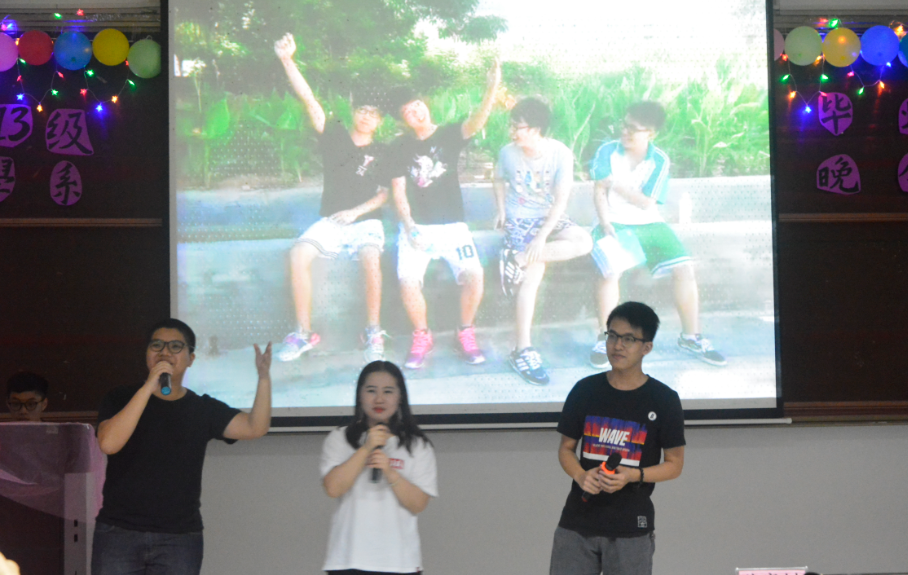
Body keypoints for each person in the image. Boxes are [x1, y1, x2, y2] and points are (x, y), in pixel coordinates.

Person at [92, 318, 272, 575]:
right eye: (157, 345)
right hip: (118, 532)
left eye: (175, 346)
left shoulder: (202, 408)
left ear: (191, 358)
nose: (165, 352)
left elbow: (255, 428)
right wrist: (149, 386)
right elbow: (109, 443)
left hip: (179, 537)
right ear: (146, 354)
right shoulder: (120, 397)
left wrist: (263, 378)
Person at [274, 32, 391, 364]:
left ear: (379, 122)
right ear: (354, 112)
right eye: (362, 110)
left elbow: (385, 194)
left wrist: (356, 212)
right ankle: (303, 333)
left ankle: (372, 331)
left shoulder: (383, 151)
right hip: (331, 219)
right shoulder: (335, 135)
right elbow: (309, 99)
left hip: (365, 221)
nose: (366, 116)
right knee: (298, 254)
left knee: (371, 257)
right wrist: (287, 60)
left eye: (373, 114)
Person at [550, 301, 685, 575]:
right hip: (578, 521)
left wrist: (633, 475)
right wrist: (580, 475)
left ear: (646, 347)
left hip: (630, 526)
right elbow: (566, 449)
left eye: (628, 339)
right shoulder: (585, 390)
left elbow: (674, 464)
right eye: (612, 335)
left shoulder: (664, 399)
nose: (617, 346)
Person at [588, 101, 726, 368]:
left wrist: (614, 182)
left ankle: (691, 337)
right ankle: (605, 338)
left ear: (650, 133)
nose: (625, 132)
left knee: (684, 268)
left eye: (633, 129)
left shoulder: (659, 159)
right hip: (611, 221)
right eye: (624, 125)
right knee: (610, 271)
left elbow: (646, 203)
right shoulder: (607, 150)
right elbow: (599, 191)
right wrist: (605, 224)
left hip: (650, 223)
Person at [384, 59, 501, 369]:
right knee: (408, 282)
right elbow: (398, 191)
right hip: (417, 227)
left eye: (417, 105)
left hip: (453, 227)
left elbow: (476, 121)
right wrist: (409, 226)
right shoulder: (398, 147)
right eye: (408, 112)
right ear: (403, 120)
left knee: (475, 276)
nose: (416, 112)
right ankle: (422, 335)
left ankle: (465, 332)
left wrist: (491, 87)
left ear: (425, 104)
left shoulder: (449, 134)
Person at [494, 97, 593, 385]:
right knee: (534, 273)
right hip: (520, 217)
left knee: (584, 242)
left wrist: (540, 239)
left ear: (536, 129)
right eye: (512, 125)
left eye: (518, 127)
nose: (512, 132)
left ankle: (516, 259)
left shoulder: (560, 154)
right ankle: (522, 350)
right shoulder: (507, 153)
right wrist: (501, 210)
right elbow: (497, 179)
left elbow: (561, 200)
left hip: (549, 217)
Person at [320, 361, 437, 574]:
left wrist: (390, 471)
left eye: (388, 391)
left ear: (400, 397)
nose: (379, 399)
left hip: (400, 562)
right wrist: (366, 448)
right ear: (360, 395)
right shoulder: (339, 438)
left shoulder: (417, 445)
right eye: (371, 391)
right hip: (348, 559)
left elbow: (418, 504)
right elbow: (333, 488)